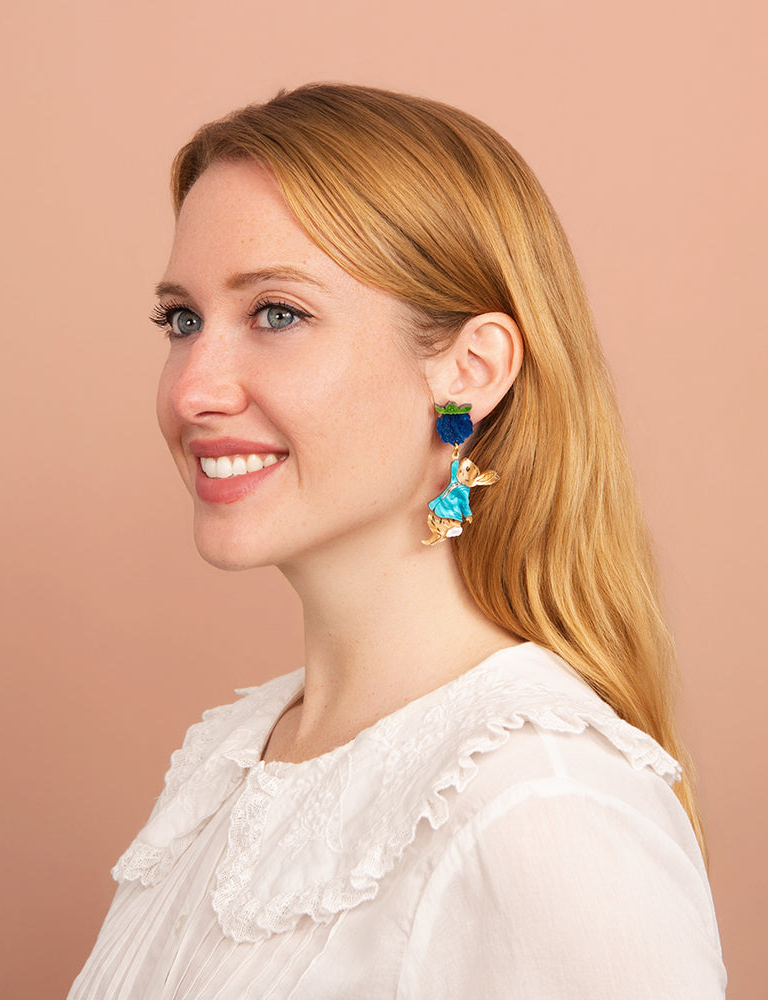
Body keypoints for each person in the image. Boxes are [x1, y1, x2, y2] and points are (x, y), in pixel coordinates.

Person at [68, 83, 726, 998]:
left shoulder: (543, 804)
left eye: (275, 314)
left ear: (469, 368)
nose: (192, 391)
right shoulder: (235, 756)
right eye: (183, 320)